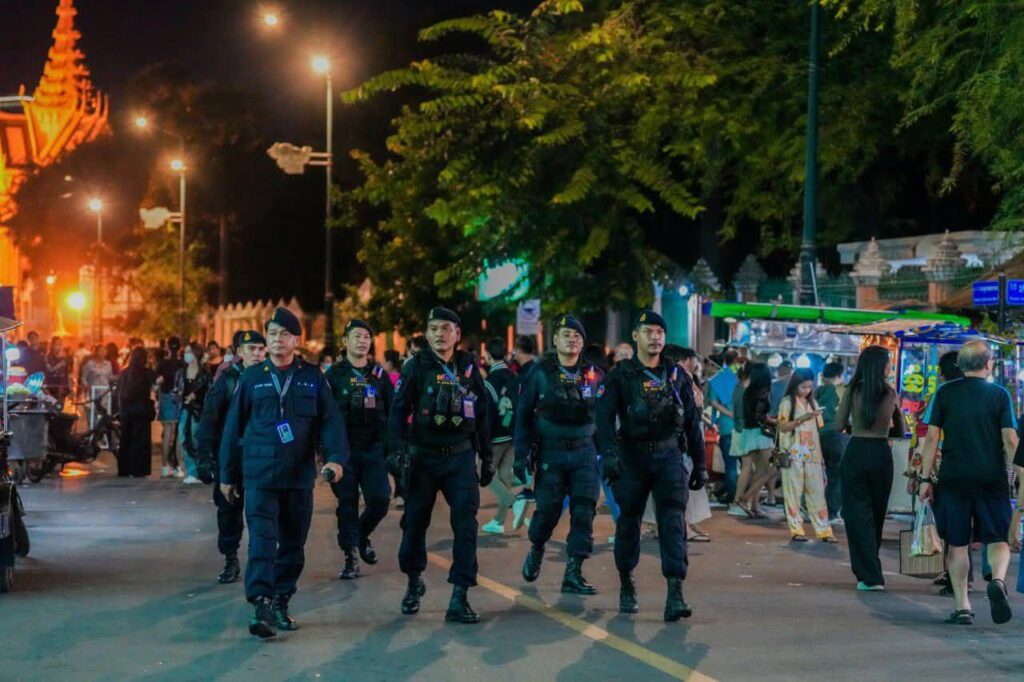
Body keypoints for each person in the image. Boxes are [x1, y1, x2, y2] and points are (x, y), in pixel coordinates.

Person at [220, 308, 349, 639]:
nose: (277, 339)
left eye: (284, 334)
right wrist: (227, 475)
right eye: (273, 334)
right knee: (262, 541)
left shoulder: (312, 377)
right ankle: (261, 604)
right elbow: (233, 427)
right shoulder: (252, 377)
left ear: (297, 340)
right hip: (260, 473)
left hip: (298, 475)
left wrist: (335, 459)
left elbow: (331, 422)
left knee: (293, 545)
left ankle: (281, 600)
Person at [597, 312, 706, 620]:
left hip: (669, 456)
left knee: (673, 522)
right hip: (632, 457)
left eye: (659, 331)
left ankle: (675, 593)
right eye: (649, 331)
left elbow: (691, 422)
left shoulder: (676, 374)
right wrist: (609, 456)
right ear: (636, 336)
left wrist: (700, 464)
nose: (655, 337)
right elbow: (604, 419)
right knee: (629, 522)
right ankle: (626, 583)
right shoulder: (620, 375)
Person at [388, 306, 493, 624]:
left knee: (466, 525)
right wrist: (396, 453)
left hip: (460, 458)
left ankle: (460, 595)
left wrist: (487, 456)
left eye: (445, 328)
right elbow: (397, 411)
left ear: (457, 334)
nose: (439, 334)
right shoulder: (415, 366)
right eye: (433, 328)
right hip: (423, 458)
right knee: (414, 523)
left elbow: (483, 412)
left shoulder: (469, 366)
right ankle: (413, 580)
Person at [920, 340, 1017, 625]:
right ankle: (997, 580)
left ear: (960, 365)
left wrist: (925, 478)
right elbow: (1010, 440)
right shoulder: (999, 395)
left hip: (953, 477)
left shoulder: (944, 393)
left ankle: (962, 606)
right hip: (991, 477)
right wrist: (1019, 475)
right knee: (998, 538)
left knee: (958, 543)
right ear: (988, 364)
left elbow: (932, 438)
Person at [515, 314, 603, 596]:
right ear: (555, 340)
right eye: (566, 335)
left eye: (577, 336)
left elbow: (605, 416)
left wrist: (611, 454)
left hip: (584, 453)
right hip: (551, 453)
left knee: (584, 511)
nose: (572, 340)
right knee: (548, 510)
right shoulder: (539, 373)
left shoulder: (595, 374)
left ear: (583, 343)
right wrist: (521, 453)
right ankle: (537, 547)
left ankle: (574, 571)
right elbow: (523, 414)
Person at [324, 319, 394, 580]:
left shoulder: (379, 375)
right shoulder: (333, 375)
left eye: (366, 336)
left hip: (373, 449)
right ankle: (351, 556)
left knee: (380, 500)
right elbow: (323, 414)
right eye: (357, 336)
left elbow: (393, 411)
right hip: (343, 452)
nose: (362, 341)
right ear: (345, 341)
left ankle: (362, 534)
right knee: (347, 503)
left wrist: (395, 448)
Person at [195, 330, 266, 585]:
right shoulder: (227, 381)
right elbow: (209, 421)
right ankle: (231, 559)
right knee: (229, 511)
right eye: (251, 349)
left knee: (263, 513)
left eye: (261, 349)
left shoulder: (271, 378)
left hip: (262, 459)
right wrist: (205, 458)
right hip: (231, 459)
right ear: (239, 352)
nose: (257, 354)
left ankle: (260, 561)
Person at [835, 345, 906, 592]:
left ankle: (869, 575)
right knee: (876, 514)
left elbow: (837, 424)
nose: (890, 366)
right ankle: (871, 570)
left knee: (857, 515)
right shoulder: (890, 393)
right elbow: (901, 429)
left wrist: (853, 426)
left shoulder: (852, 389)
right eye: (888, 362)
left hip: (856, 451)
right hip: (881, 455)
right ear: (881, 366)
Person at [777, 369, 836, 543]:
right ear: (795, 385)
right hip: (792, 453)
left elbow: (818, 428)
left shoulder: (813, 403)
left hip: (813, 455)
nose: (807, 390)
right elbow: (783, 426)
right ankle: (796, 530)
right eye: (803, 387)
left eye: (810, 387)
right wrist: (802, 419)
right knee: (793, 493)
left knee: (817, 493)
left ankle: (824, 530)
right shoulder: (787, 402)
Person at [481, 337, 519, 535]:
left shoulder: (489, 382)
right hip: (512, 433)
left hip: (496, 436)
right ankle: (499, 521)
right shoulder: (514, 376)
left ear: (488, 355)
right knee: (505, 477)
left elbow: (487, 414)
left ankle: (514, 502)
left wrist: (483, 439)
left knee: (482, 473)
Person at [731, 363, 776, 519]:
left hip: (748, 434)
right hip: (760, 435)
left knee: (759, 471)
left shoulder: (747, 392)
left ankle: (754, 505)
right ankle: (744, 500)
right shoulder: (762, 393)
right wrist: (775, 421)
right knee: (772, 470)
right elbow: (760, 417)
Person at [510, 335, 538, 529]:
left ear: (518, 350)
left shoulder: (528, 375)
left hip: (532, 431)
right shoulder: (535, 371)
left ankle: (530, 512)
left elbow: (524, 408)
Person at [116, 348, 157, 478]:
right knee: (141, 439)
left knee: (126, 438)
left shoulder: (124, 373)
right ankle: (139, 469)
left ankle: (124, 468)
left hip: (126, 410)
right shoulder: (147, 373)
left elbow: (119, 391)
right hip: (141, 409)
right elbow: (156, 383)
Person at [815, 361, 847, 521]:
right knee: (836, 475)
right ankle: (832, 511)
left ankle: (815, 508)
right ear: (840, 374)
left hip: (817, 436)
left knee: (819, 474)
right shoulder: (842, 391)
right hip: (837, 436)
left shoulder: (817, 391)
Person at [708, 349, 740, 503]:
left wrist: (727, 413)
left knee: (730, 465)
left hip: (726, 426)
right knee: (747, 465)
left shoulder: (716, 379)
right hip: (744, 426)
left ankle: (733, 499)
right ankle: (744, 498)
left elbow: (713, 403)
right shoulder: (741, 377)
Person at [177, 342, 212, 485]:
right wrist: (179, 398)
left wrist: (196, 396)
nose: (187, 355)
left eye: (189, 352)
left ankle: (200, 471)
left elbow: (210, 392)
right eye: (185, 352)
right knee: (183, 439)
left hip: (198, 411)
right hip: (184, 409)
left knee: (195, 440)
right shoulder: (181, 371)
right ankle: (191, 471)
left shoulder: (204, 373)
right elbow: (176, 389)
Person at [156, 337, 184, 478]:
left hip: (166, 397)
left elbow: (158, 382)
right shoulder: (182, 363)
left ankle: (165, 466)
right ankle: (178, 466)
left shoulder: (162, 363)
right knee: (178, 432)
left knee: (167, 432)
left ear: (167, 347)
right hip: (179, 397)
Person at [44, 336, 71, 405]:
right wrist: (44, 388)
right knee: (49, 408)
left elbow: (66, 375)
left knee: (59, 408)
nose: (59, 347)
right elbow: (45, 373)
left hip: (60, 391)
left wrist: (68, 390)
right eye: (57, 344)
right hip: (48, 390)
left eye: (60, 344)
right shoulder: (46, 358)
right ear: (52, 345)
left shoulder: (63, 359)